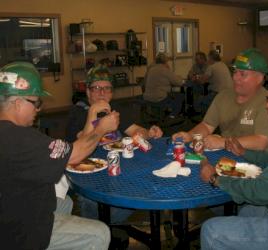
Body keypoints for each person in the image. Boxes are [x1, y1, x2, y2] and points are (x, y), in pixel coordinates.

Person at [0, 62, 119, 249]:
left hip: (12, 205)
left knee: (65, 202)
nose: (38, 110)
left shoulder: (11, 134)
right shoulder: (22, 139)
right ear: (17, 103)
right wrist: (101, 128)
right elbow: (74, 154)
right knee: (100, 233)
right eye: (36, 103)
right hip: (19, 230)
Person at [200, 76, 268, 250]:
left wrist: (215, 178)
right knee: (246, 210)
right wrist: (245, 152)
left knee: (211, 231)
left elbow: (263, 190)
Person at [66, 65, 163, 221]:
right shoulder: (78, 112)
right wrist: (93, 112)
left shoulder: (115, 110)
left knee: (150, 190)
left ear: (112, 93)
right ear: (88, 92)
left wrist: (149, 133)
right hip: (89, 177)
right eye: (96, 88)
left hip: (117, 170)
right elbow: (82, 145)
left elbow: (137, 131)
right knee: (98, 213)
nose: (102, 93)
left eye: (107, 88)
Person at [173, 48, 268, 151]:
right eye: (235, 72)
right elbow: (207, 126)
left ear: (259, 78)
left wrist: (223, 142)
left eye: (242, 74)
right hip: (230, 158)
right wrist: (190, 135)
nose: (235, 77)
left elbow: (261, 142)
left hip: (262, 163)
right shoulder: (223, 96)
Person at [143, 52, 185, 117]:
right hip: (158, 99)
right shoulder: (165, 70)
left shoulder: (151, 69)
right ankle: (172, 116)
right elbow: (179, 82)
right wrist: (180, 78)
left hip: (147, 97)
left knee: (169, 94)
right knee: (180, 97)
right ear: (166, 61)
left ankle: (166, 112)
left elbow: (145, 82)